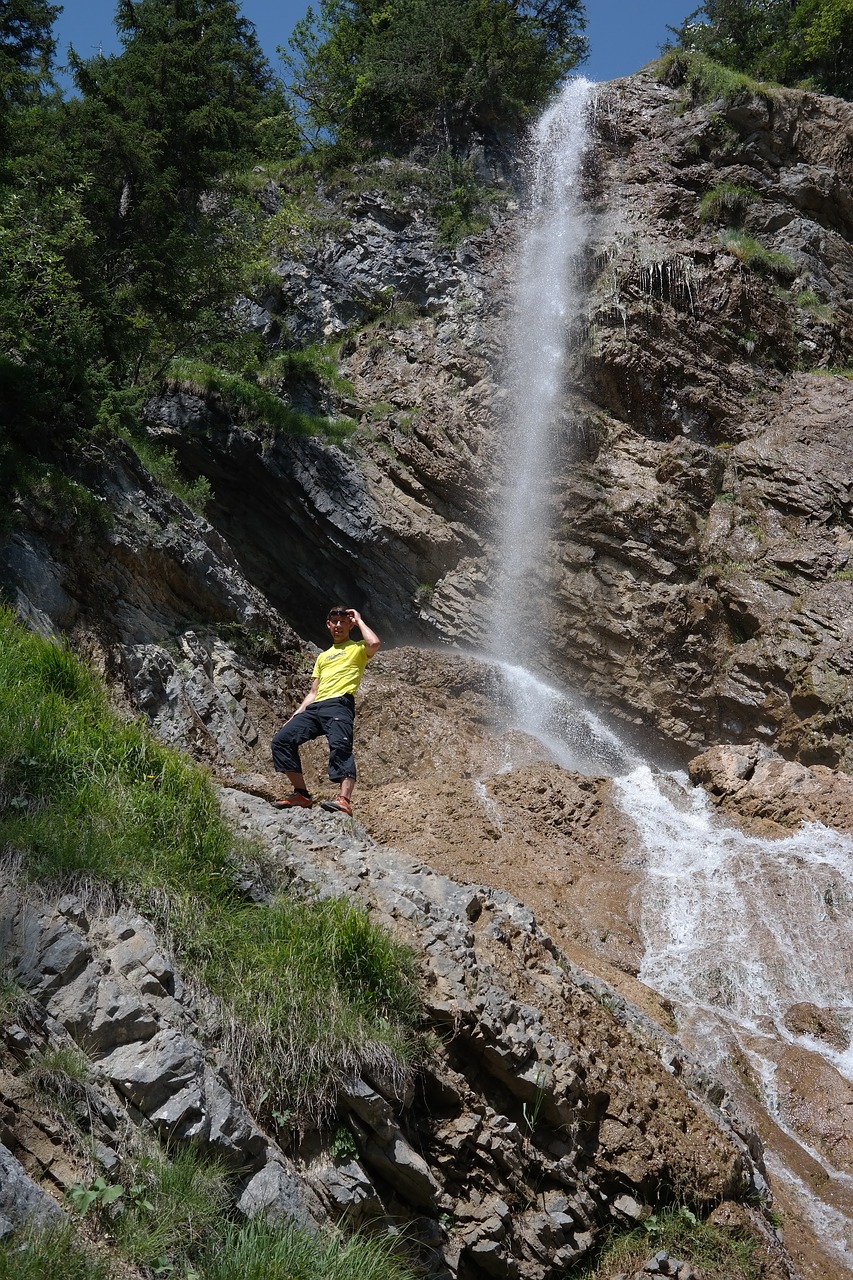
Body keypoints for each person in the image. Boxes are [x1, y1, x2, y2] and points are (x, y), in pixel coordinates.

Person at [271, 605, 381, 815]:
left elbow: (374, 643)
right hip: (315, 707)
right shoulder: (322, 657)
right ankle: (301, 794)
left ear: (349, 625)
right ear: (328, 625)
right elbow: (313, 691)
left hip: (340, 703)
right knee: (281, 740)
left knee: (340, 746)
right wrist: (296, 715)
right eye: (335, 622)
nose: (339, 625)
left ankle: (344, 800)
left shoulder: (357, 648)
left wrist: (359, 620)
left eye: (343, 622)